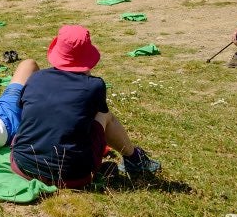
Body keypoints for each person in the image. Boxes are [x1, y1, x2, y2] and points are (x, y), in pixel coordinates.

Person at [11, 25, 160, 188]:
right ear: (88, 57)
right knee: (105, 115)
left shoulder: (36, 78)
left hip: (22, 166)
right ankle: (134, 159)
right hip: (73, 177)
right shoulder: (94, 86)